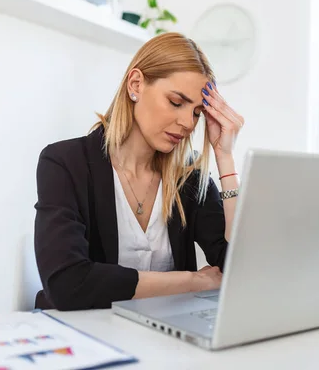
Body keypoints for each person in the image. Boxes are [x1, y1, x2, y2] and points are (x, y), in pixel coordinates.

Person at [33, 32, 244, 311]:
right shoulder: (65, 163)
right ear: (136, 84)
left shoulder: (189, 180)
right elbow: (68, 283)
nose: (187, 123)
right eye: (176, 102)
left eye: (196, 113)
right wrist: (192, 281)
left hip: (159, 338)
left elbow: (239, 267)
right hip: (81, 334)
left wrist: (225, 157)